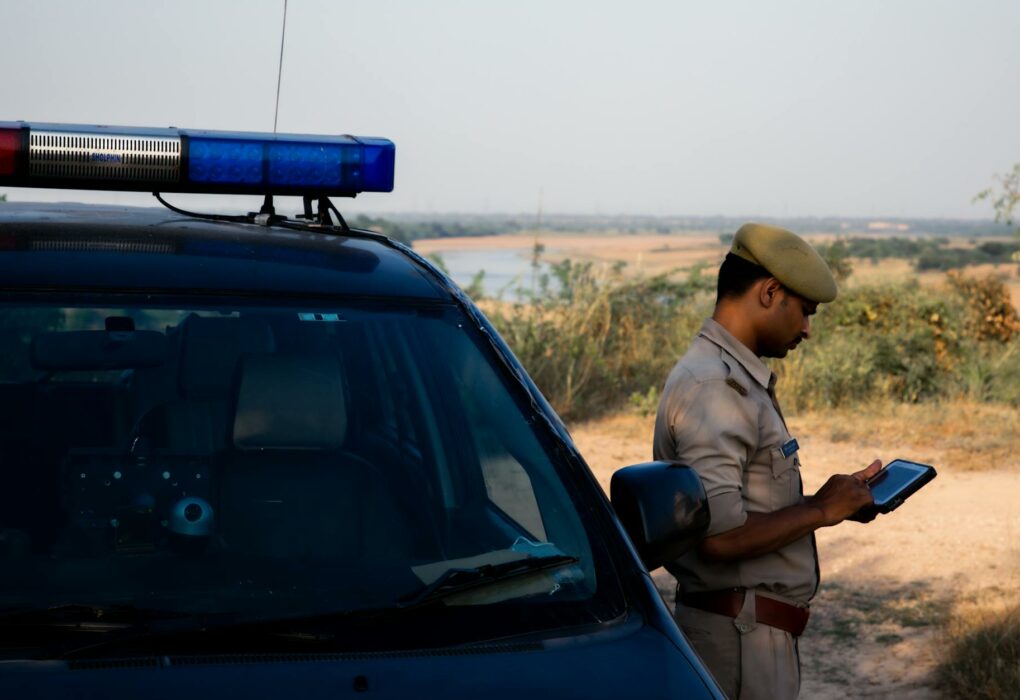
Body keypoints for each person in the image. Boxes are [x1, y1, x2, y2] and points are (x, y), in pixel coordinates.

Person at [653, 223, 880, 700]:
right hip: (739, 642)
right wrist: (820, 511)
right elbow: (719, 537)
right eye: (804, 312)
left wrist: (830, 502)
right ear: (770, 291)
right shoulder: (715, 387)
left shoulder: (731, 376)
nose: (806, 330)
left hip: (747, 633)